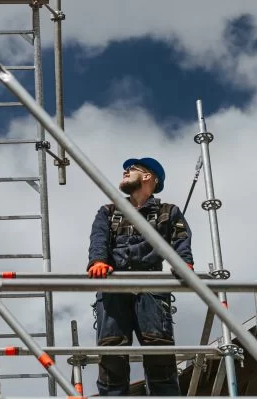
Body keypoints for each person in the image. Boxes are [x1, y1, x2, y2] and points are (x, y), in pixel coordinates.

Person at [87, 157, 194, 396]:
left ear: (148, 177)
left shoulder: (168, 212)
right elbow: (99, 239)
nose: (125, 172)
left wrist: (183, 264)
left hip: (152, 286)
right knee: (112, 353)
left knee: (160, 354)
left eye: (131, 170)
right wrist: (98, 261)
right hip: (114, 285)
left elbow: (180, 241)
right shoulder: (109, 211)